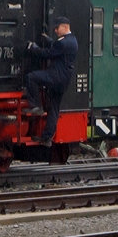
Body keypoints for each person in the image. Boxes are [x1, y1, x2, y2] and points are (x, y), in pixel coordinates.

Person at [24, 16, 78, 146]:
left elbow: (48, 53)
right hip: (64, 80)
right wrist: (48, 40)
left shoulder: (62, 43)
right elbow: (57, 49)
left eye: (57, 28)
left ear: (65, 27)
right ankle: (47, 138)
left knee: (31, 77)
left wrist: (33, 48)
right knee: (54, 109)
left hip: (55, 76)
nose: (55, 30)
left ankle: (36, 106)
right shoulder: (73, 41)